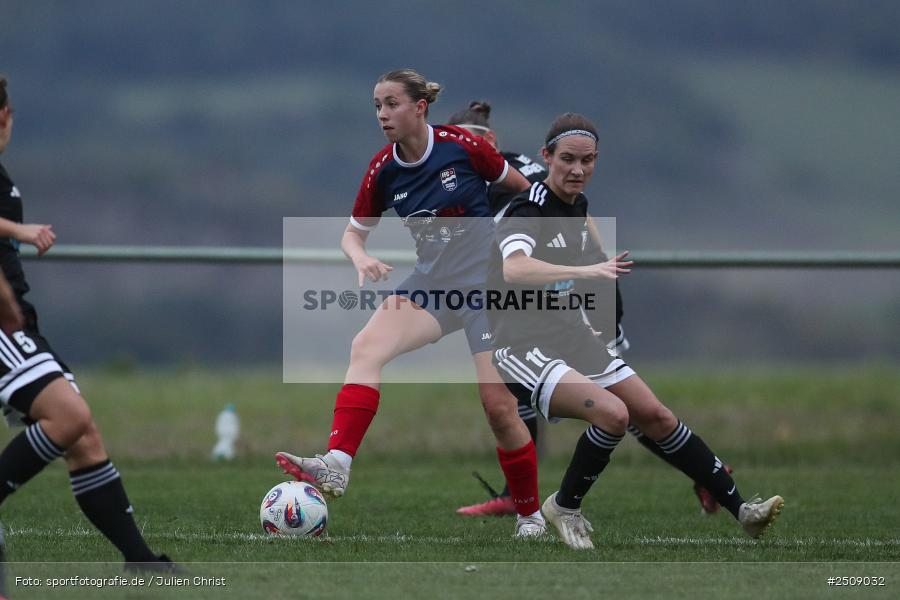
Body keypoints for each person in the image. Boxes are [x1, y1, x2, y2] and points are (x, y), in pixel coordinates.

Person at [489, 112, 783, 549]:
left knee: (656, 416)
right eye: (567, 159)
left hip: (570, 336)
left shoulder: (577, 207)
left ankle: (743, 511)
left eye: (587, 160)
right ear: (546, 156)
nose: (577, 169)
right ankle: (564, 506)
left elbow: (588, 277)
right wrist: (584, 271)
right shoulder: (528, 208)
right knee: (613, 415)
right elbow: (514, 269)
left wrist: (598, 319)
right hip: (521, 345)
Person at [275, 69, 546, 537]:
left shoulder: (463, 146)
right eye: (377, 106)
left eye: (391, 104)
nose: (382, 115)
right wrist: (361, 257)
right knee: (366, 347)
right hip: (433, 285)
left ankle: (530, 516)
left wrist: (522, 251)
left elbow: (527, 194)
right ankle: (338, 463)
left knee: (499, 408)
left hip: (486, 288)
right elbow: (352, 234)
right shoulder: (383, 169)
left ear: (420, 107)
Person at [449, 101, 732, 518]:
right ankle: (517, 495)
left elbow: (583, 232)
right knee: (520, 393)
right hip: (513, 301)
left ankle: (705, 473)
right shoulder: (453, 181)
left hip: (558, 302)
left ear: (490, 140)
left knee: (621, 408)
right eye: (453, 143)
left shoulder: (524, 175)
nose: (461, 150)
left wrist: (602, 307)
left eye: (470, 141)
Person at [0, 76, 171, 567]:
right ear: (6, 116)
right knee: (69, 417)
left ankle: (141, 562)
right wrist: (20, 230)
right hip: (2, 322)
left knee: (82, 433)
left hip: (16, 319)